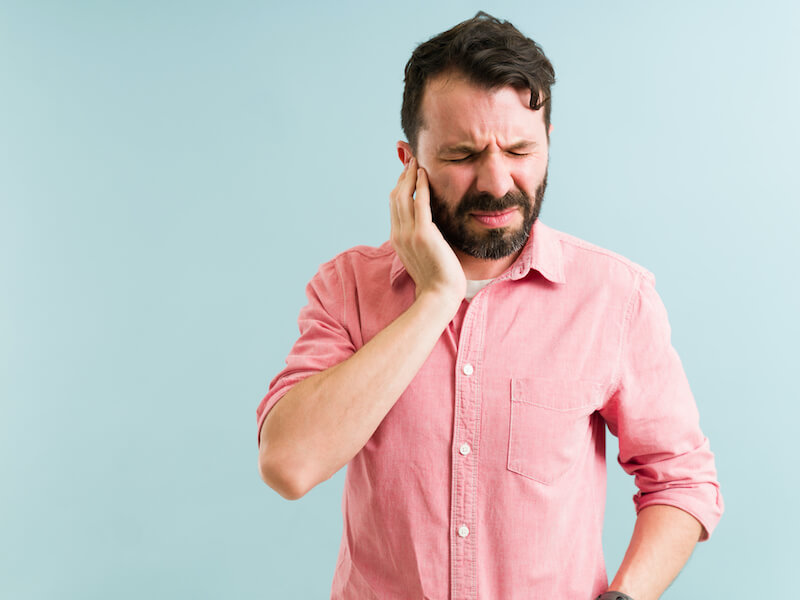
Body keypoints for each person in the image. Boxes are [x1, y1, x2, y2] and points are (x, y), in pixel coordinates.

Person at [256, 12, 723, 600]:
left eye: (520, 149)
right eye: (462, 155)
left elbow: (682, 483)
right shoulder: (347, 288)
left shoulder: (614, 297)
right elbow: (288, 465)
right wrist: (435, 298)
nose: (498, 182)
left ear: (549, 143)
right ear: (410, 165)